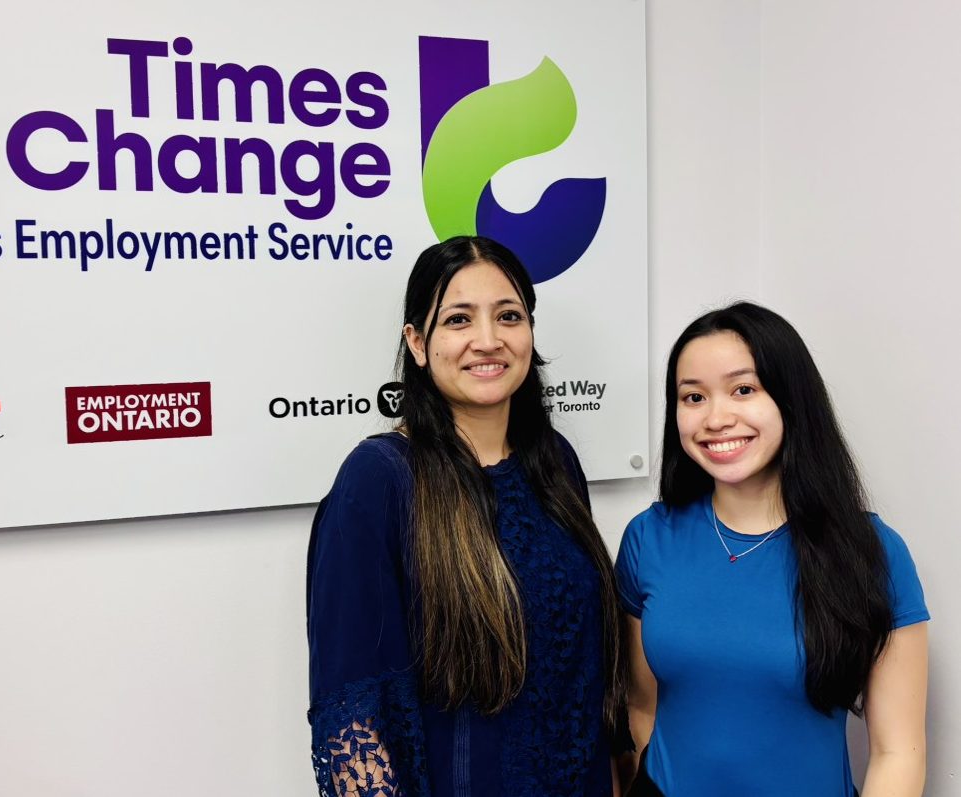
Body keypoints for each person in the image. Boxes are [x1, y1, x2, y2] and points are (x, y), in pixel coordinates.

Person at [306, 236, 625, 796]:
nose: (488, 339)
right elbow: (352, 715)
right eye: (458, 319)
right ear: (418, 342)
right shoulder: (379, 479)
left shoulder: (555, 462)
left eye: (509, 316)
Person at [618, 302, 929, 797]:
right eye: (693, 396)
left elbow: (899, 753)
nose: (716, 418)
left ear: (791, 398)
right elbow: (642, 706)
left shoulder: (871, 551)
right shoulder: (648, 538)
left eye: (743, 390)